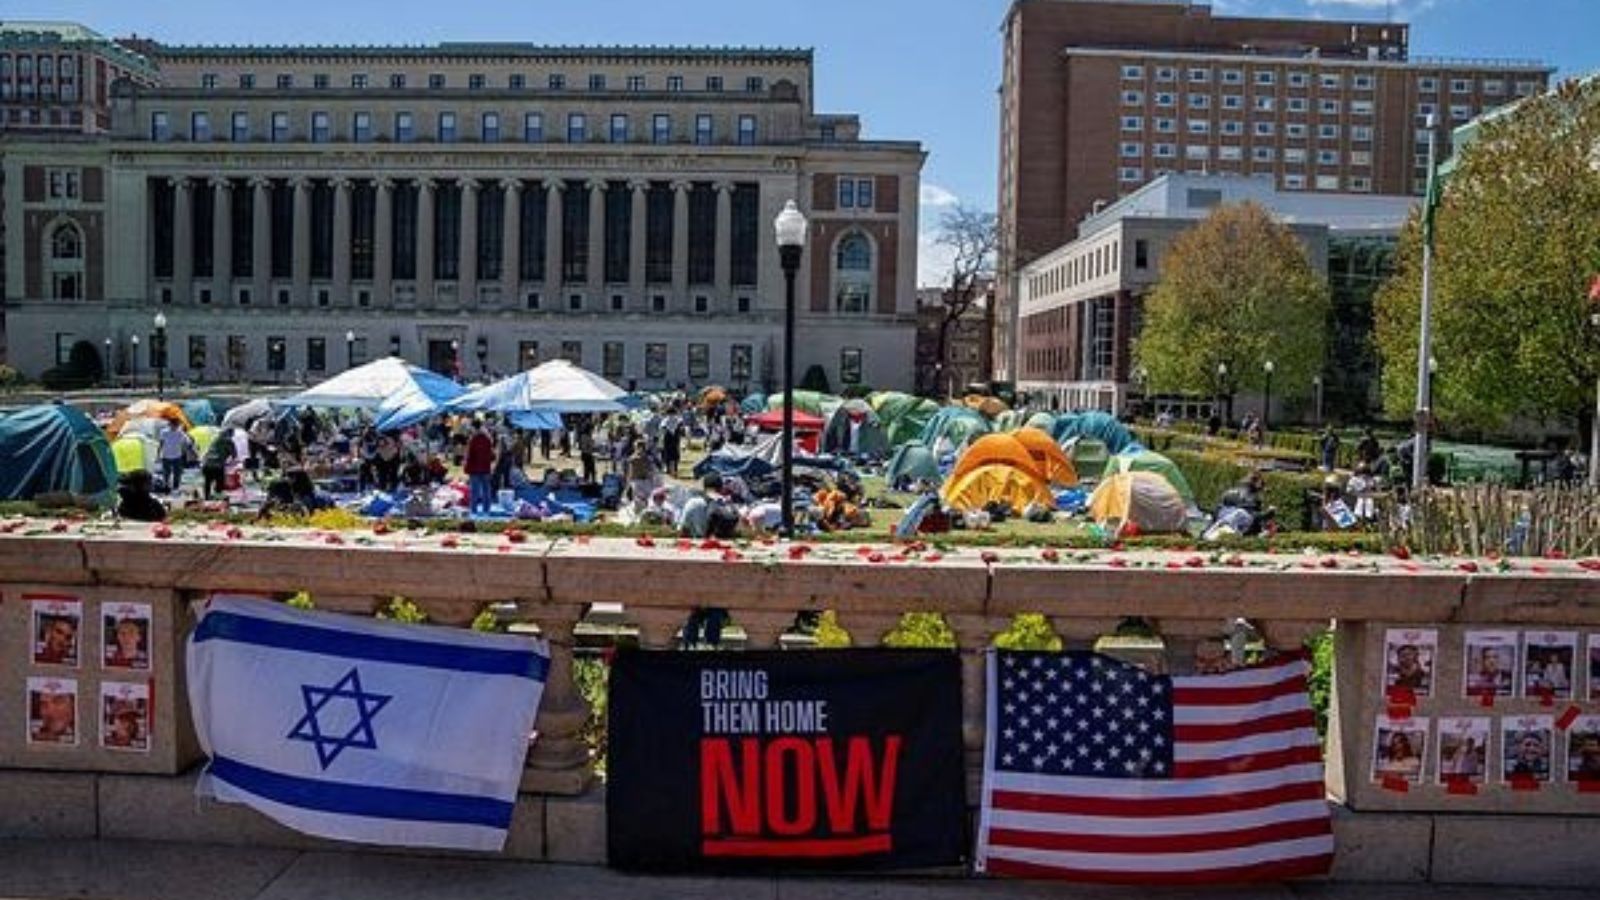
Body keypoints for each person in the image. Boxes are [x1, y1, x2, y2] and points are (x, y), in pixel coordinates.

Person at [464, 420, 495, 516]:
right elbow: (491, 454)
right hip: (485, 468)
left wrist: (466, 467)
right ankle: (487, 509)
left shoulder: (473, 439)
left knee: (475, 491)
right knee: (486, 490)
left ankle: (473, 510)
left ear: (474, 427)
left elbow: (469, 455)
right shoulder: (488, 438)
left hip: (475, 468)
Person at [156, 418, 193, 495]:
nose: (175, 426)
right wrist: (158, 454)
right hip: (166, 456)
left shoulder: (180, 433)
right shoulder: (164, 432)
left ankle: (175, 488)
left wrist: (187, 453)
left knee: (177, 474)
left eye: (176, 425)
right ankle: (166, 488)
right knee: (166, 474)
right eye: (174, 424)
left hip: (177, 456)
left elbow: (187, 443)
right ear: (170, 424)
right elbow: (161, 443)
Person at [200, 427, 236, 501]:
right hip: (217, 465)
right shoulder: (229, 442)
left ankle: (206, 498)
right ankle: (217, 498)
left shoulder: (214, 440)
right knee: (220, 483)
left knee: (207, 482)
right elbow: (234, 455)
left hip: (206, 464)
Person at [626, 441, 657, 511]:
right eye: (637, 448)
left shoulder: (647, 459)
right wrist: (628, 483)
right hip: (637, 481)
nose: (638, 449)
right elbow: (630, 473)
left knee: (647, 499)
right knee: (638, 499)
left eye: (640, 447)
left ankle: (646, 511)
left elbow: (651, 471)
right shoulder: (633, 459)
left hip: (645, 481)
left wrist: (652, 481)